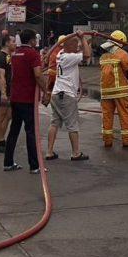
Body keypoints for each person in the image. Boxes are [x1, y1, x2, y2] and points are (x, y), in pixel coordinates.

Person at [3, 29, 48, 173]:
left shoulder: (15, 53)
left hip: (15, 97)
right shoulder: (33, 54)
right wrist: (46, 91)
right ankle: (34, 166)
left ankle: (8, 162)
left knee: (14, 130)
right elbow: (38, 75)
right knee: (31, 131)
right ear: (32, 40)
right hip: (28, 98)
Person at [46, 34, 90, 162]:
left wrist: (80, 41)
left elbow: (78, 49)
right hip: (66, 95)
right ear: (71, 47)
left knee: (54, 123)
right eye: (76, 46)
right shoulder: (69, 57)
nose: (78, 48)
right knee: (72, 125)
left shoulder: (60, 53)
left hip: (56, 93)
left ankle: (49, 152)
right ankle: (76, 153)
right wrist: (82, 39)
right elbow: (87, 55)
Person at [99, 30, 128, 148]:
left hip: (106, 92)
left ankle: (107, 141)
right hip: (120, 91)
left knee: (107, 116)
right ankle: (127, 141)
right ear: (121, 41)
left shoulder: (103, 56)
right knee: (124, 115)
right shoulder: (122, 53)